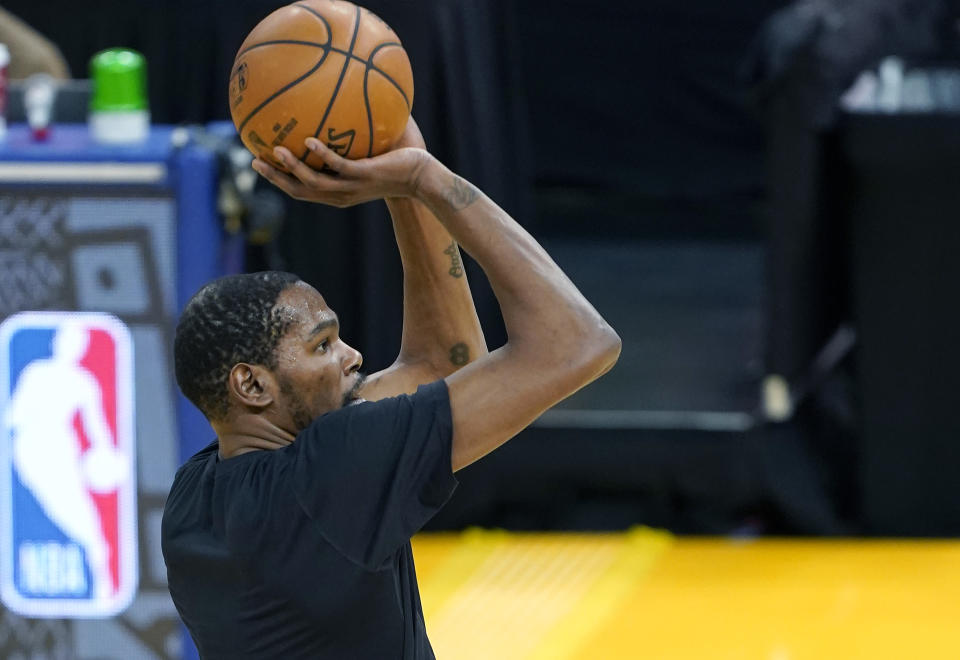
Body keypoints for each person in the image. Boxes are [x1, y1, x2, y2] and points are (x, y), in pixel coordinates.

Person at [161, 119, 620, 659]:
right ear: (252, 384)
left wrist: (405, 183)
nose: (353, 356)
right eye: (322, 345)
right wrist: (427, 180)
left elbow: (445, 363)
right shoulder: (332, 473)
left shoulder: (192, 499)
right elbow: (578, 342)